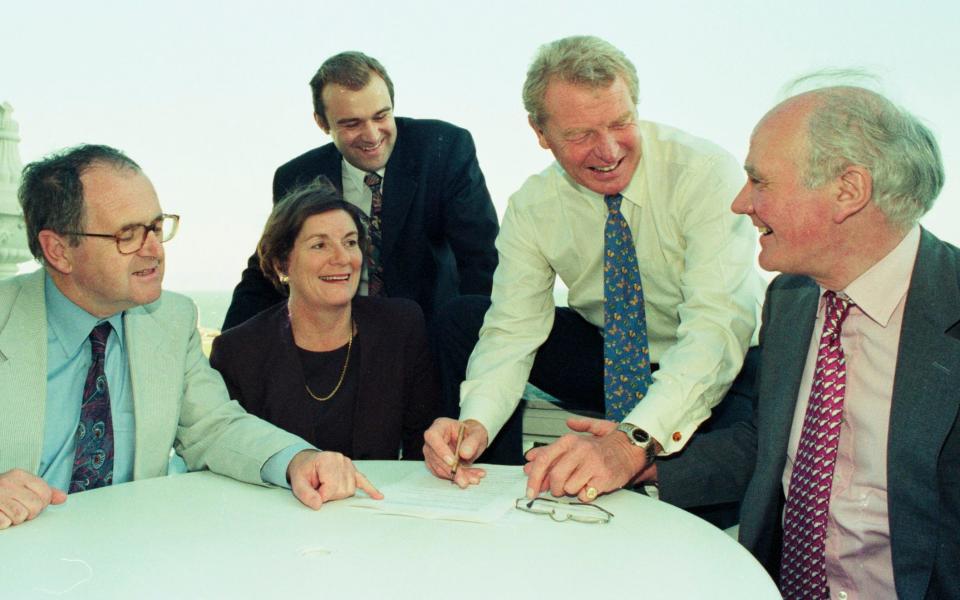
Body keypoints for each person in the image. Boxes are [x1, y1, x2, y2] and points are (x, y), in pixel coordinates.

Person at [649, 84, 958, 598]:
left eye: (759, 180)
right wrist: (642, 462)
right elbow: (772, 444)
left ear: (847, 191)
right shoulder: (790, 299)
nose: (740, 202)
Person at [424, 36, 765, 497]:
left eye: (621, 123)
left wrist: (631, 442)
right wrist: (475, 421)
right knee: (464, 319)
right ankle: (490, 482)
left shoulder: (704, 173)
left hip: (724, 361)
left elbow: (716, 327)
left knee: (715, 481)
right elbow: (512, 331)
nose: (608, 151)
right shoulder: (533, 205)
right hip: (612, 357)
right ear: (540, 133)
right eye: (581, 135)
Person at [0, 144, 382, 530]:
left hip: (122, 553)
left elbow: (213, 427)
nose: (154, 250)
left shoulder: (170, 319)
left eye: (154, 227)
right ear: (59, 250)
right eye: (127, 235)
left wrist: (297, 460)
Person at [222, 51, 499, 331]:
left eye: (381, 116)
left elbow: (482, 261)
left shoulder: (443, 150)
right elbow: (267, 271)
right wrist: (224, 356)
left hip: (430, 336)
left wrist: (473, 349)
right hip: (338, 341)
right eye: (352, 123)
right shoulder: (297, 177)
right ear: (322, 122)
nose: (372, 135)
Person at [210, 178, 438, 459]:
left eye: (350, 242)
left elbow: (424, 446)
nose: (342, 258)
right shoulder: (238, 353)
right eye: (319, 245)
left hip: (382, 499)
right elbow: (230, 456)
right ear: (282, 263)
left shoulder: (401, 327)